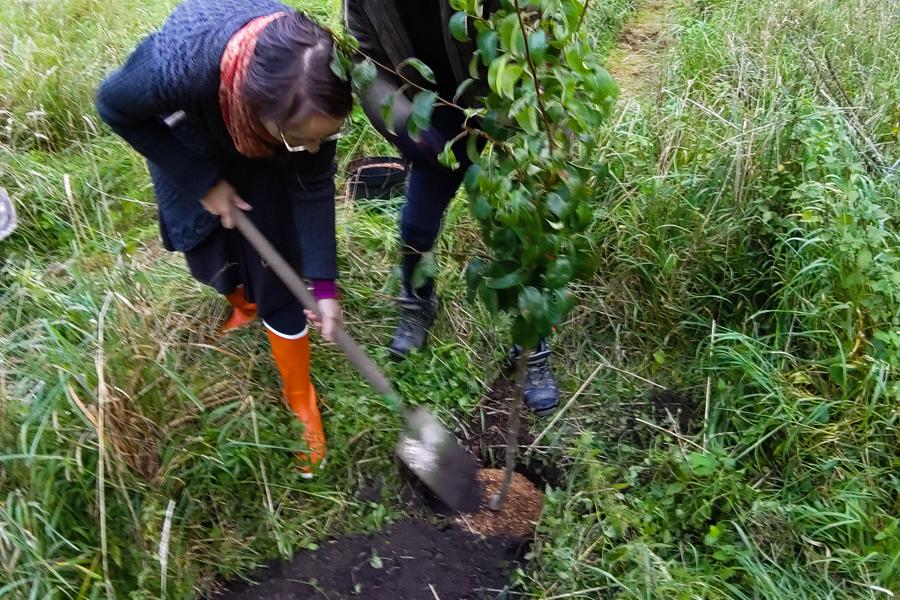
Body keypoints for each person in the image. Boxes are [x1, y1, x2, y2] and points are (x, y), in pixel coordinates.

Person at [95, 0, 353, 476]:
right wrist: (202, 181)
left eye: (326, 137)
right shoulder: (177, 68)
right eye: (303, 140)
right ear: (261, 111)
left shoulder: (319, 88)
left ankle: (301, 400)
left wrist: (323, 287)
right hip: (192, 130)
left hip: (262, 136)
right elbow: (112, 104)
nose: (315, 149)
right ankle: (242, 301)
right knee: (207, 246)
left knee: (279, 260)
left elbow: (312, 185)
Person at [345, 0, 560, 415]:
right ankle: (416, 305)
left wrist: (528, 119)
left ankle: (530, 347)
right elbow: (366, 63)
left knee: (516, 231)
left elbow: (531, 26)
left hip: (500, 113)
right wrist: (409, 128)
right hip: (431, 120)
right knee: (416, 228)